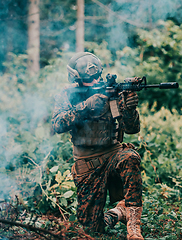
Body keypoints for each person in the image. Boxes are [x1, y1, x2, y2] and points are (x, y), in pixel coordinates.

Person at [51, 52, 144, 240]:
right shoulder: (67, 94)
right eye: (89, 80)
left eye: (97, 77)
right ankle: (117, 213)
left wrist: (130, 109)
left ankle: (134, 226)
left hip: (113, 154)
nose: (95, 82)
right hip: (87, 164)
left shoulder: (113, 93)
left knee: (130, 157)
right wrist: (86, 106)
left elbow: (132, 129)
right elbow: (57, 124)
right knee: (91, 231)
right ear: (76, 79)